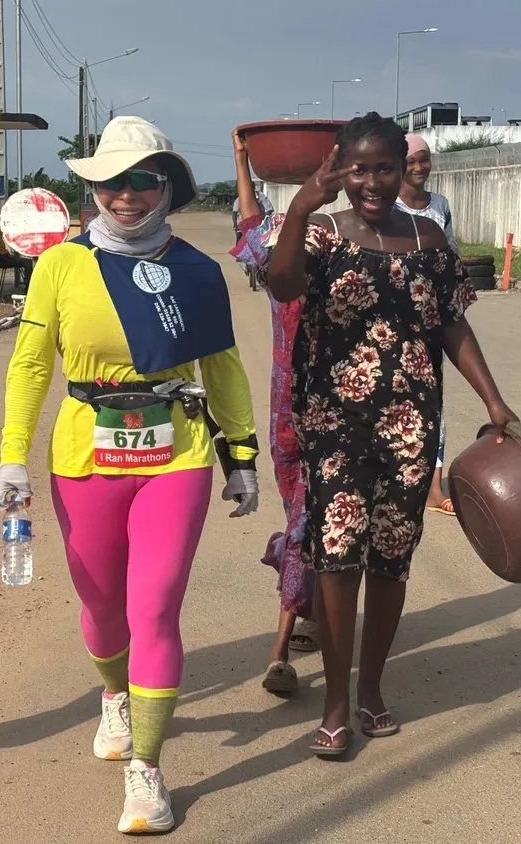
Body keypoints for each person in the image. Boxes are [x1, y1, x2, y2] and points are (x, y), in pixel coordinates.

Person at [0, 116, 260, 835]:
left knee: (156, 606)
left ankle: (146, 768)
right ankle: (115, 695)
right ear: (94, 188)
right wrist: (12, 454)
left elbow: (223, 368)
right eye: (113, 182)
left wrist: (241, 455)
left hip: (175, 453)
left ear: (167, 186)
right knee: (103, 605)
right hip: (85, 455)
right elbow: (30, 364)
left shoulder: (198, 272)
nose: (128, 195)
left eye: (145, 180)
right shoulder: (61, 266)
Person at [265, 112, 520, 758]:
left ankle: (372, 686)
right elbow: (282, 283)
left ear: (402, 169)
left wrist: (493, 399)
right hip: (333, 423)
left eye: (385, 167)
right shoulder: (321, 234)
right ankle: (334, 702)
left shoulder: (430, 238)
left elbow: (451, 325)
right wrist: (299, 210)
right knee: (337, 553)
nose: (373, 181)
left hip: (409, 427)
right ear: (340, 170)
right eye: (360, 168)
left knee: (390, 558)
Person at [229, 129, 318, 699]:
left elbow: (249, 221)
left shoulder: (343, 240)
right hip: (291, 408)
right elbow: (249, 219)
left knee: (310, 520)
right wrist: (241, 159)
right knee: (304, 516)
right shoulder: (284, 241)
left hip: (341, 407)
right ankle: (299, 625)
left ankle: (283, 642)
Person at [395, 134, 457, 517]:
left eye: (425, 159)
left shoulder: (441, 206)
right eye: (411, 161)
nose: (419, 167)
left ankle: (434, 486)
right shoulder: (388, 207)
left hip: (429, 322)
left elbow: (451, 257)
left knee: (433, 402)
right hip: (390, 321)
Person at [0, 215, 35, 293]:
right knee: (27, 262)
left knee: (27, 261)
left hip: (6, 256)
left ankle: (28, 284)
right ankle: (28, 287)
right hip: (3, 259)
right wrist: (4, 259)